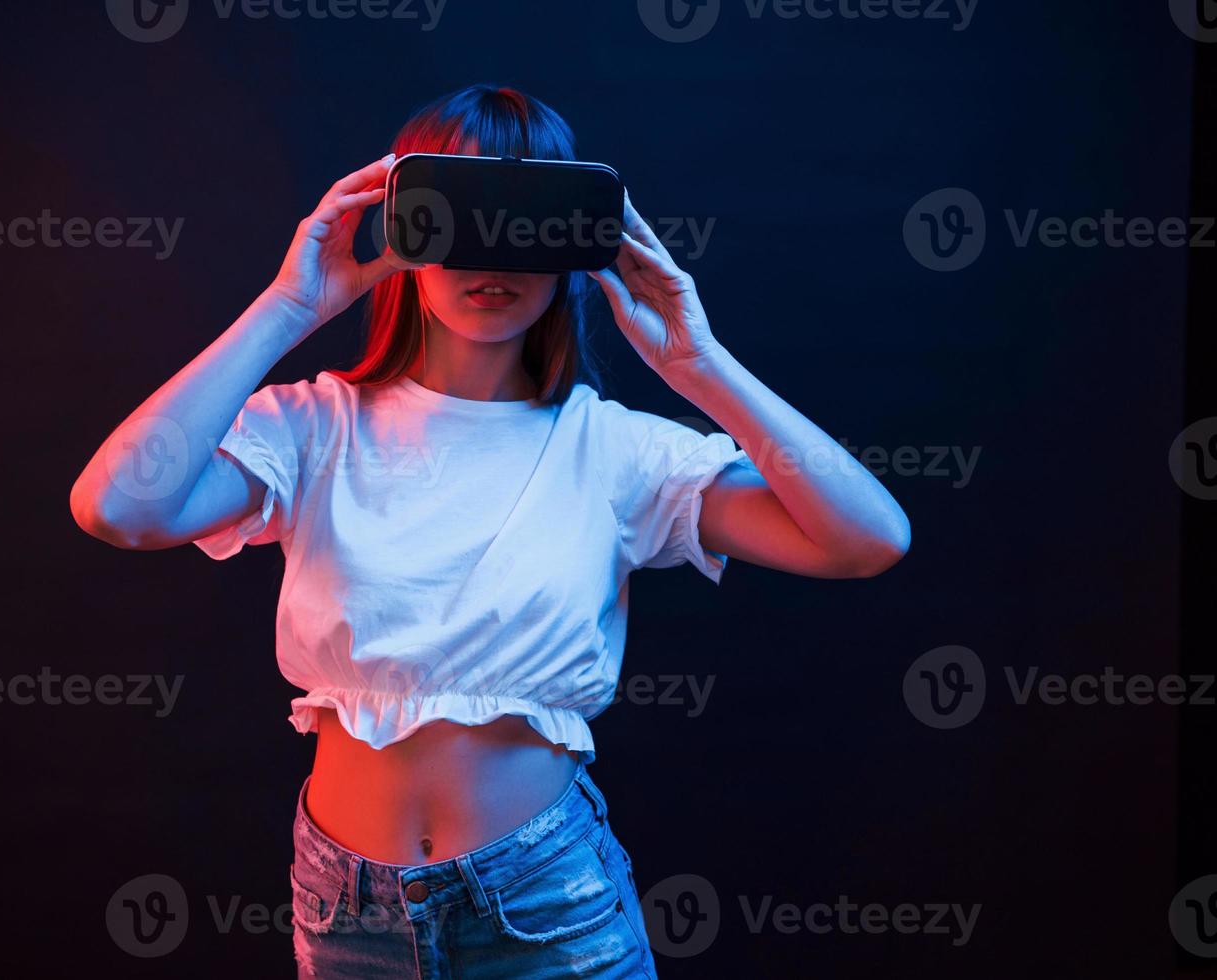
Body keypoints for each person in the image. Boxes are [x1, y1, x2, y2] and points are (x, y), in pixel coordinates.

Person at [70, 83, 910, 978]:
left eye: (528, 219)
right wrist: (289, 306)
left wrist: (698, 365)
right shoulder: (312, 429)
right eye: (458, 215)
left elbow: (864, 539)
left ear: (576, 239)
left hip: (548, 902)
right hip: (346, 910)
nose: (492, 255)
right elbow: (118, 507)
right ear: (401, 228)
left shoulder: (615, 450)